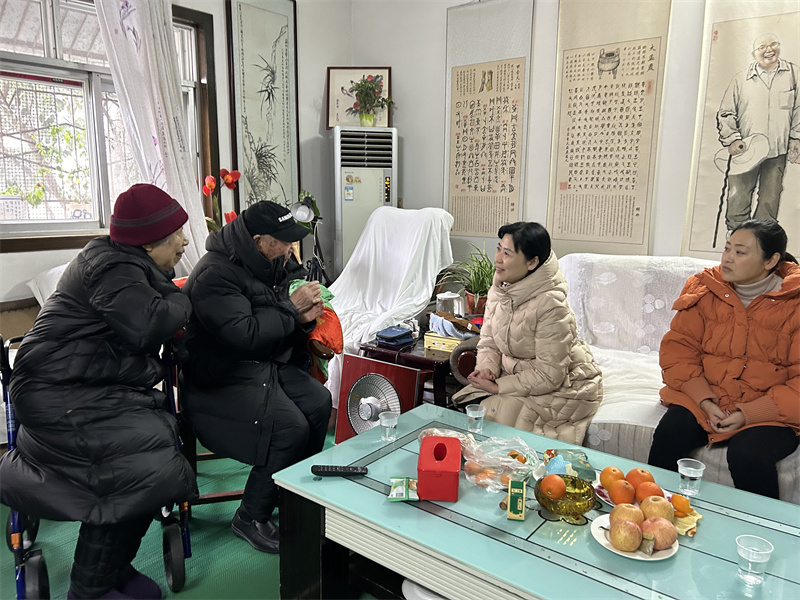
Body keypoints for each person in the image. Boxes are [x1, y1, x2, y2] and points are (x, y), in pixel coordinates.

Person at [0, 183, 197, 600]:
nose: (183, 241)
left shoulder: (126, 263)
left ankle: (112, 570)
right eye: (175, 235)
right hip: (56, 393)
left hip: (86, 388)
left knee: (154, 460)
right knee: (132, 470)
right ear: (148, 243)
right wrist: (184, 299)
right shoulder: (112, 267)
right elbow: (149, 323)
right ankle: (88, 590)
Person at [180, 200, 331, 553]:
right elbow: (244, 334)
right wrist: (292, 310)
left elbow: (280, 315)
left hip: (262, 363)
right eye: (283, 242)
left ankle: (290, 494)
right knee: (289, 428)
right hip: (220, 376)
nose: (290, 249)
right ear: (259, 240)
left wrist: (305, 316)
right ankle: (250, 515)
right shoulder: (214, 275)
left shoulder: (270, 261)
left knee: (319, 403)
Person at [648, 219, 799, 499]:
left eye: (740, 252)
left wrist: (749, 414)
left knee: (748, 454)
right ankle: (653, 512)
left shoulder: (795, 303)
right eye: (727, 248)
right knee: (671, 433)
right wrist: (704, 400)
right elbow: (679, 352)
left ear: (771, 261)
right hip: (708, 397)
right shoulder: (704, 288)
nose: (728, 257)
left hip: (769, 408)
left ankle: (761, 525)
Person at [452, 222, 602, 445]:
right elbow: (489, 341)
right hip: (520, 375)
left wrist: (499, 386)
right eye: (499, 249)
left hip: (562, 381)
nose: (498, 259)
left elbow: (550, 374)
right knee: (469, 408)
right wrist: (486, 369)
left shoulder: (551, 305)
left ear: (532, 262)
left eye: (507, 253)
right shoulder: (500, 289)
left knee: (500, 422)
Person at [716, 33, 800, 231]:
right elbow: (726, 113)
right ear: (754, 53)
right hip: (746, 151)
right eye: (762, 47)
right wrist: (732, 139)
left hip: (777, 149)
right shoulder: (741, 79)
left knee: (771, 196)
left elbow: (799, 108)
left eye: (773, 44)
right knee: (738, 195)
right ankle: (736, 234)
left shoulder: (793, 74)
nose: (769, 50)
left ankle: (763, 237)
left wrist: (796, 137)